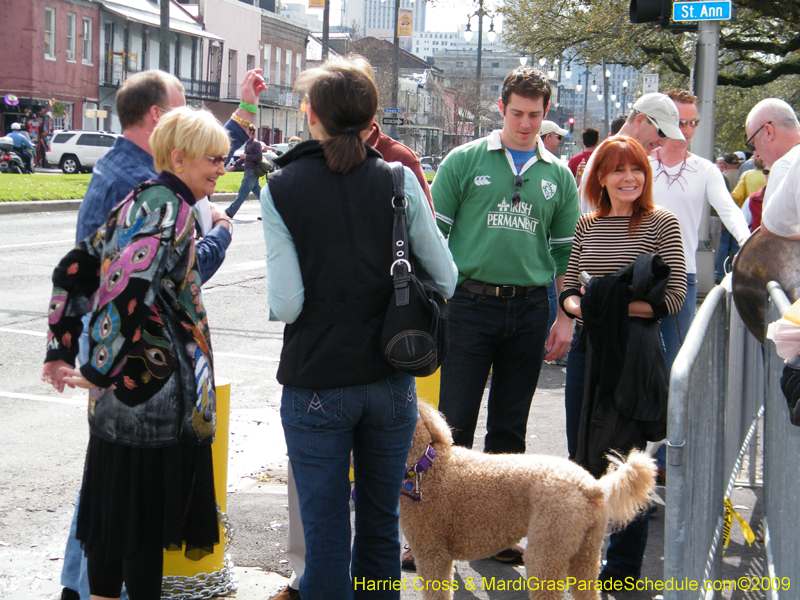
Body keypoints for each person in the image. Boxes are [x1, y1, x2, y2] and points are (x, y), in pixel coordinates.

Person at [59, 67, 263, 600]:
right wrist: (94, 367)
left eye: (225, 159)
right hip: (149, 394)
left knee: (112, 523)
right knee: (142, 532)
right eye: (215, 160)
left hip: (124, 393)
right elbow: (129, 292)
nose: (223, 169)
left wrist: (67, 351)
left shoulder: (142, 195)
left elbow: (79, 268)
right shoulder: (168, 208)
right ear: (179, 158)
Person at [260, 56, 457, 600]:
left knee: (324, 534)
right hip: (390, 379)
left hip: (317, 380)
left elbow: (289, 304)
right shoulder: (396, 177)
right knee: (378, 527)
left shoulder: (282, 187)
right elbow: (446, 275)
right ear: (372, 117)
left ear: (311, 114)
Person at [431, 65, 579, 562]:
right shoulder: (463, 160)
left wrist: (564, 316)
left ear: (546, 114)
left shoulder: (558, 175)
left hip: (530, 307)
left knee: (510, 426)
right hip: (468, 304)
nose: (525, 123)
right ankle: (436, 533)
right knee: (453, 425)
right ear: (501, 108)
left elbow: (564, 256)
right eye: (516, 113)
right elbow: (434, 238)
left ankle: (498, 534)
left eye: (535, 115)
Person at [560, 135, 686, 582]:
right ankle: (581, 561)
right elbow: (570, 288)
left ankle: (624, 568)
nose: (628, 177)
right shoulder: (587, 226)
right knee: (582, 455)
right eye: (617, 170)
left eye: (635, 169)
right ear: (600, 178)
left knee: (628, 462)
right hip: (586, 351)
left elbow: (671, 298)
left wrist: (603, 306)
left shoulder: (660, 223)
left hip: (634, 355)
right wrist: (583, 306)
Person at [649, 89, 748, 364]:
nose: (688, 129)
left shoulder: (705, 170)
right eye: (681, 122)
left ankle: (670, 409)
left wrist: (749, 244)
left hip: (683, 275)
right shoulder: (641, 166)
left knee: (677, 360)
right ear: (662, 121)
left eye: (694, 122)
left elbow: (730, 211)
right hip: (640, 272)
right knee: (638, 359)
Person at [579, 93, 685, 214]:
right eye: (661, 133)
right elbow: (601, 224)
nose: (663, 142)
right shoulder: (608, 155)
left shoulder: (612, 154)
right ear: (639, 120)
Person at [744, 98, 800, 205]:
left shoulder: (783, 167)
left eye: (752, 144)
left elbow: (769, 222)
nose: (756, 155)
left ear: (769, 132)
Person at [225, 124, 264, 218]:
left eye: (246, 130)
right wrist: (234, 165)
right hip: (249, 171)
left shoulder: (255, 143)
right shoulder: (248, 143)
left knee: (242, 192)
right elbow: (243, 158)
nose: (244, 132)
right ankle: (271, 212)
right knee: (261, 195)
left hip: (252, 172)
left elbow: (259, 157)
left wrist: (247, 156)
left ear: (251, 132)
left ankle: (230, 211)